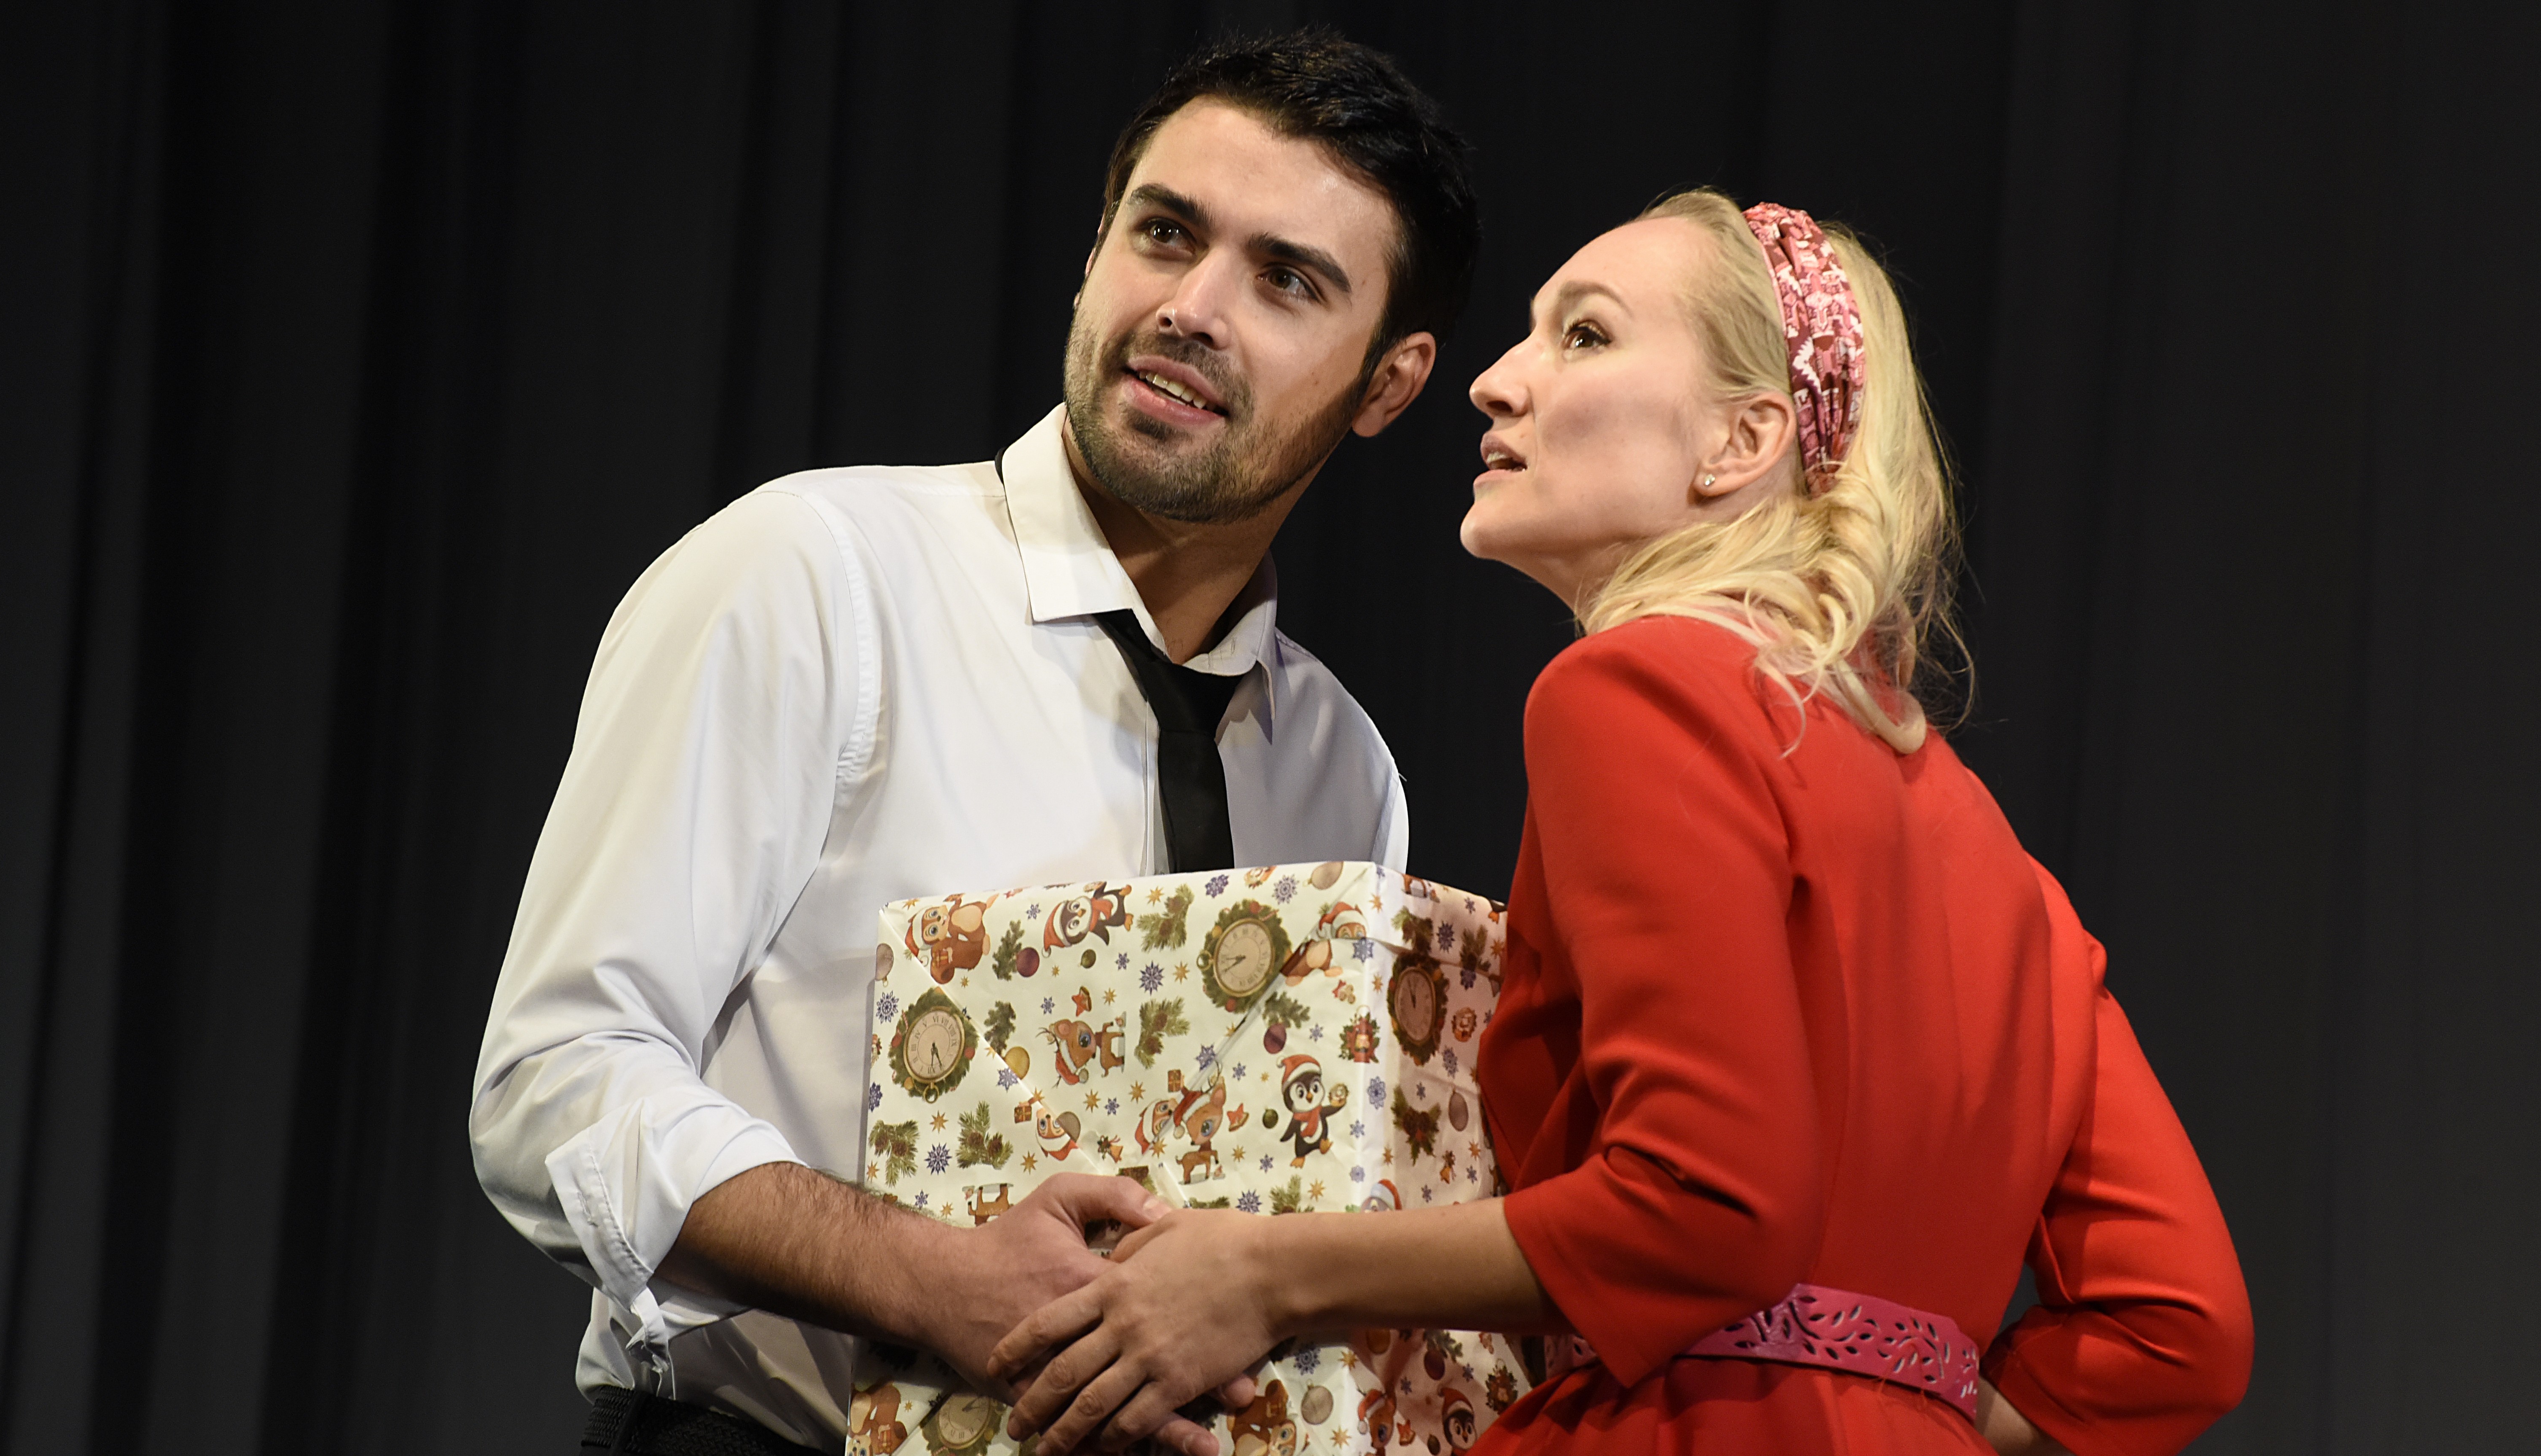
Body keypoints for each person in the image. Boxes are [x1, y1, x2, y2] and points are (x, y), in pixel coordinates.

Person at [988, 191, 2255, 1456]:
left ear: (1741, 441)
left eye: (1584, 335)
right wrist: (1892, 1396)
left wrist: (1265, 1274)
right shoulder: (1998, 861)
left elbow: (1710, 1205)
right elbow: (2179, 1329)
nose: (1494, 382)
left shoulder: (1638, 687)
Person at [467, 32, 1480, 1456]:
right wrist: (931, 1279)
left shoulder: (1342, 771)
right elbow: (555, 1087)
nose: (1191, 308)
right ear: (1093, 252)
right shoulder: (817, 576)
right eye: (1164, 233)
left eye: (1287, 281)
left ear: (1389, 384)